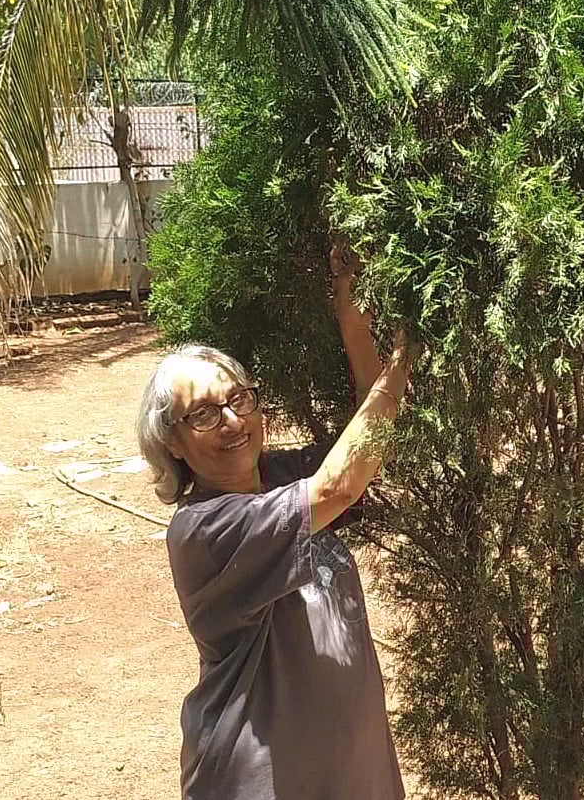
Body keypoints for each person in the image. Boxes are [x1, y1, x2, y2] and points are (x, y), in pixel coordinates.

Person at [136, 246, 412, 800]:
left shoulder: (281, 476)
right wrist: (407, 352)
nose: (233, 420)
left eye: (240, 399)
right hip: (259, 780)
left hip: (351, 769)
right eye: (205, 413)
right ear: (173, 441)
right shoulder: (204, 529)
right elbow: (340, 484)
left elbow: (367, 440)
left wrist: (351, 320)